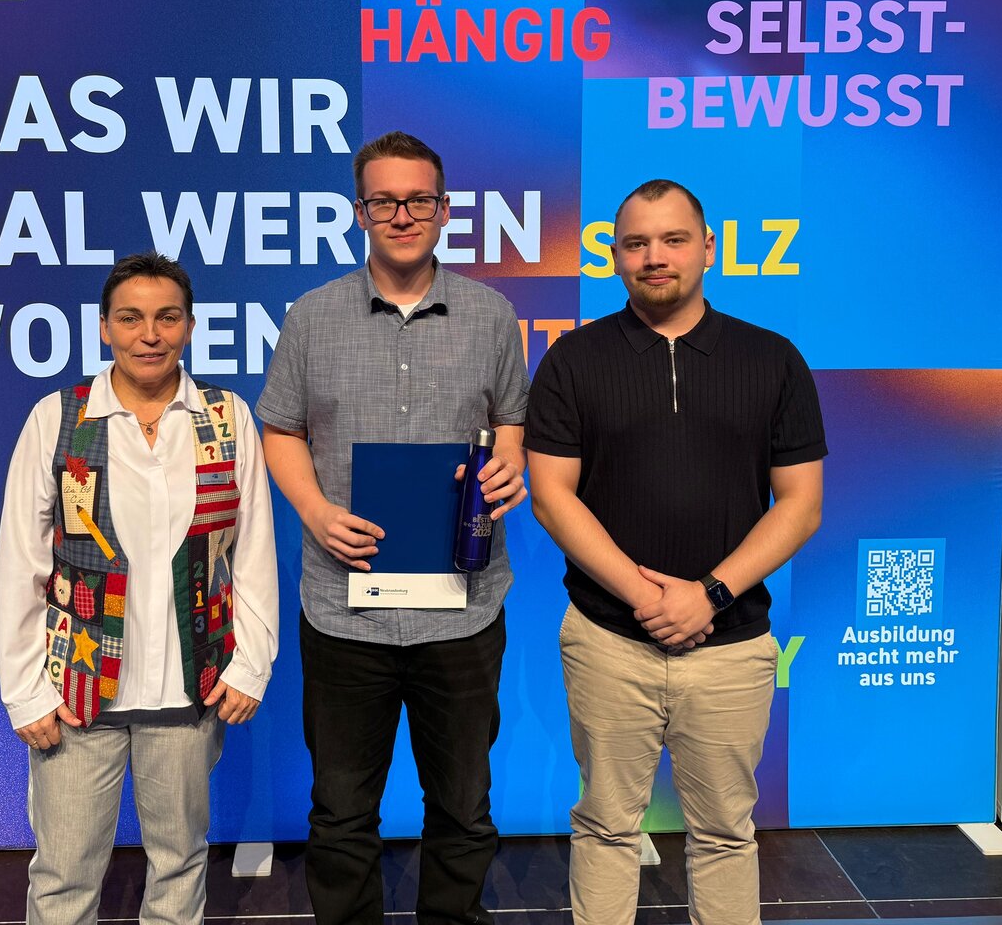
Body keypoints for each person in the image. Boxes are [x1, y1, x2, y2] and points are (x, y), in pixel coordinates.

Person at [525, 179, 825, 925]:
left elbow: (801, 505)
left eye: (672, 240)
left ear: (708, 248)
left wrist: (708, 595)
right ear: (614, 255)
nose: (653, 257)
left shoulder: (773, 359)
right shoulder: (573, 360)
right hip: (608, 638)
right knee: (604, 826)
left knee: (725, 832)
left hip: (732, 645)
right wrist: (647, 597)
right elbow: (551, 496)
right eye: (635, 243)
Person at [257, 130, 530, 925]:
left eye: (417, 200)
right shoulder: (312, 317)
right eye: (384, 201)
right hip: (345, 613)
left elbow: (510, 421)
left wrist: (508, 465)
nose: (401, 215)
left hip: (462, 608)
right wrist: (316, 512)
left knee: (464, 808)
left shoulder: (491, 315)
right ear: (360, 212)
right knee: (342, 814)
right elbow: (281, 429)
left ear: (444, 210)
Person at [0, 252, 279, 925]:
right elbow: (20, 564)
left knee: (179, 866)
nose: (149, 334)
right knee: (63, 877)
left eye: (167, 317)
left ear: (190, 326)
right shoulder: (58, 418)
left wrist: (250, 664)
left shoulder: (226, 416)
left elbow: (252, 551)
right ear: (104, 327)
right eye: (131, 318)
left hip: (190, 690)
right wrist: (25, 691)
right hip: (75, 695)